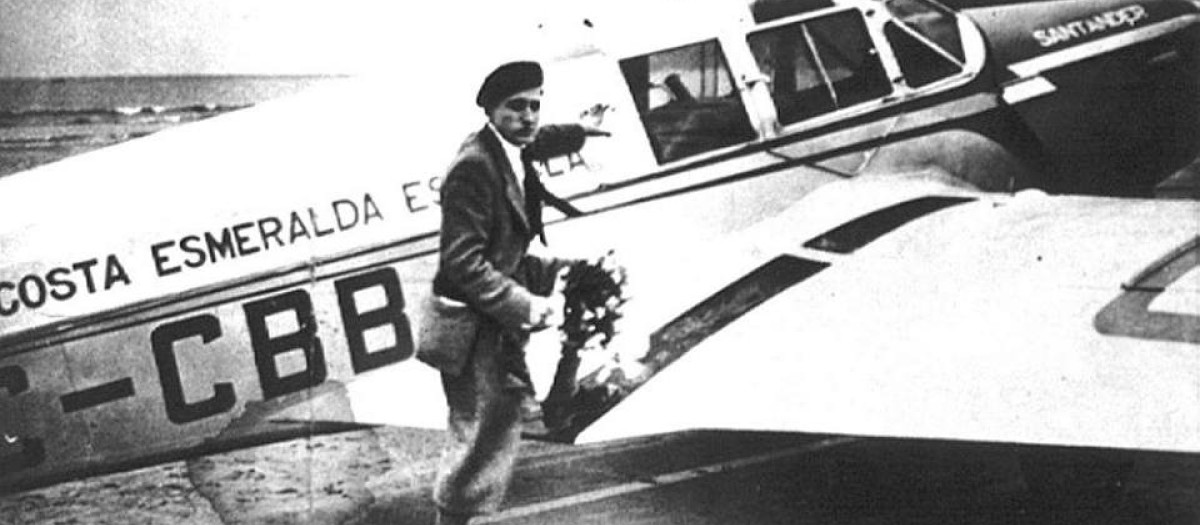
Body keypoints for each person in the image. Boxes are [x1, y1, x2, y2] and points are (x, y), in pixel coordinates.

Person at [429, 60, 603, 525]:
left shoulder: (509, 147)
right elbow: (462, 263)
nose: (528, 116)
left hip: (490, 321)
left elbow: (541, 137)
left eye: (535, 105)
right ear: (491, 110)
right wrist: (527, 305)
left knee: (496, 425)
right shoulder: (474, 168)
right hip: (470, 326)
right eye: (516, 107)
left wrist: (580, 132)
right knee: (481, 434)